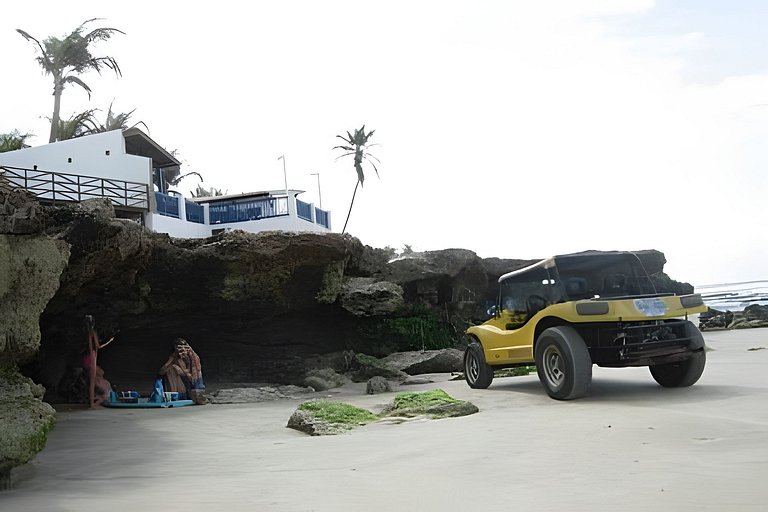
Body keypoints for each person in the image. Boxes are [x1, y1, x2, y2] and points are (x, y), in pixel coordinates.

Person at [84, 315, 116, 408]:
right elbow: (98, 346)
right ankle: (93, 404)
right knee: (93, 380)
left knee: (92, 380)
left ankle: (92, 401)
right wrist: (110, 341)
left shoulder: (87, 332)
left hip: (86, 357)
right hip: (92, 356)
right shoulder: (93, 332)